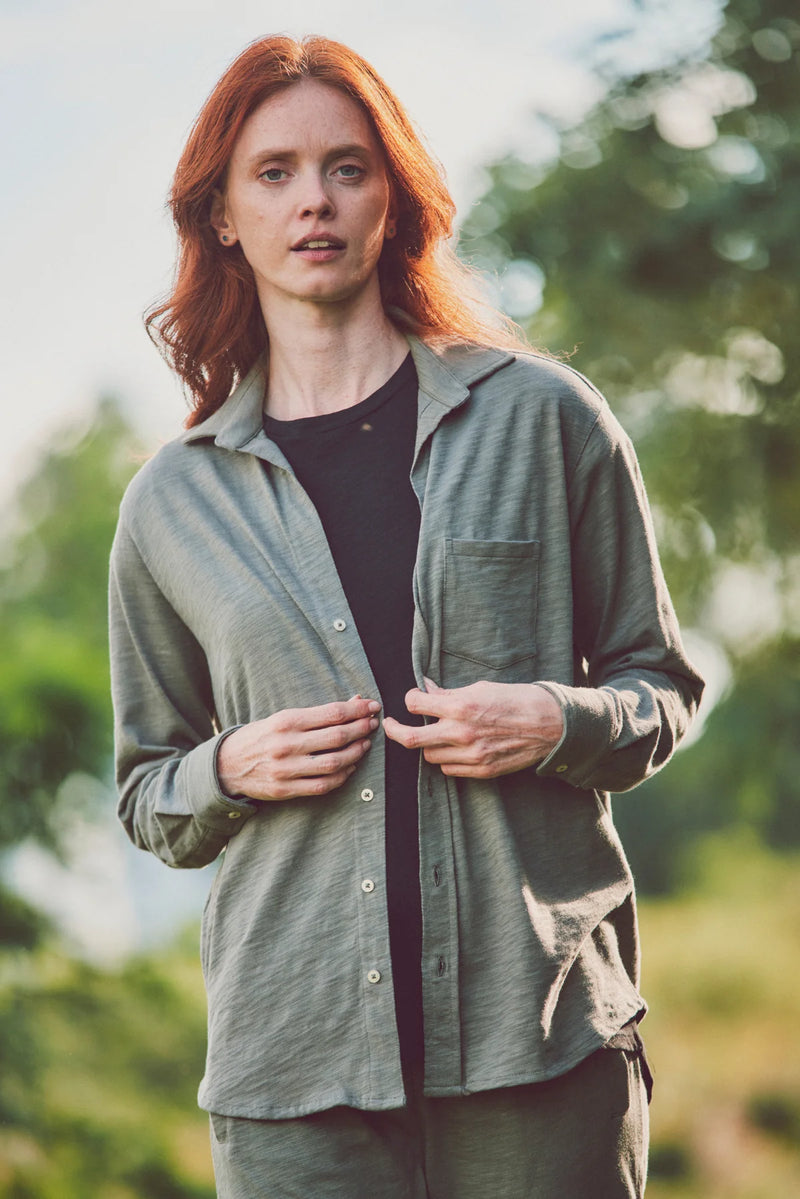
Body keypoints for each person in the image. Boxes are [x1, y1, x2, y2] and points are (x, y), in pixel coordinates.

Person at [109, 33, 704, 1199]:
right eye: (271, 172)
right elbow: (145, 791)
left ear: (394, 196)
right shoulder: (170, 502)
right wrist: (227, 763)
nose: (313, 201)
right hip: (295, 1073)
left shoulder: (543, 421)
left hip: (537, 1044)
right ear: (222, 216)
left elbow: (660, 686)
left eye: (346, 166)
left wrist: (553, 716)